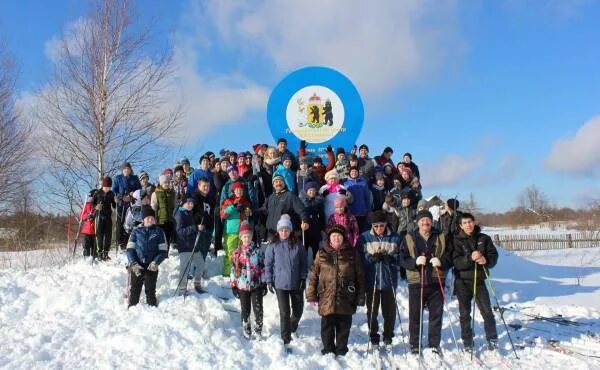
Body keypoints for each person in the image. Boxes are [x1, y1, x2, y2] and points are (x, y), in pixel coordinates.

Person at [306, 224, 366, 356]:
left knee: (344, 326)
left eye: (339, 236)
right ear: (329, 238)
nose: (336, 238)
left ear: (343, 238)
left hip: (346, 296)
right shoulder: (322, 253)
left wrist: (361, 295)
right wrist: (311, 294)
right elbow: (314, 275)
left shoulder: (352, 253)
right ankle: (328, 350)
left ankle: (341, 350)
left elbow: (360, 275)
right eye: (334, 236)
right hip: (326, 295)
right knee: (327, 326)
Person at [399, 210, 451, 355]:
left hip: (436, 280)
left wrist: (441, 262)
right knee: (415, 315)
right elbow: (402, 259)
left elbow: (449, 255)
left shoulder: (440, 236)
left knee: (436, 315)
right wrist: (414, 261)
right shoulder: (409, 237)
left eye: (428, 220)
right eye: (422, 220)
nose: (425, 222)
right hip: (416, 281)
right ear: (417, 222)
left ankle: (434, 344)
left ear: (431, 221)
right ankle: (415, 344)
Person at [452, 213, 499, 352]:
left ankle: (492, 338)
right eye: (465, 223)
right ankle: (467, 341)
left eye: (470, 222)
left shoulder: (484, 238)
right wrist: (469, 258)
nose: (468, 225)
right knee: (465, 314)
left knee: (487, 311)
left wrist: (486, 260)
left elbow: (493, 255)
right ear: (461, 225)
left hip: (479, 280)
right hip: (462, 281)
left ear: (474, 222)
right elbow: (455, 261)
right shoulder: (456, 240)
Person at [357, 210, 402, 347]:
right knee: (372, 311)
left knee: (389, 312)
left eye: (381, 225)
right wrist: (370, 258)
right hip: (372, 281)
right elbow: (359, 257)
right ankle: (373, 335)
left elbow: (402, 257)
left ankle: (388, 335)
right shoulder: (364, 237)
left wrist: (391, 258)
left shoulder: (395, 237)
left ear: (386, 224)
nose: (379, 229)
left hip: (389, 280)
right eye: (376, 226)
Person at [264, 214, 308, 351]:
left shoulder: (298, 245)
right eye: (282, 230)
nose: (284, 232)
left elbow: (304, 263)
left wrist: (302, 278)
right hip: (280, 284)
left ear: (290, 231)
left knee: (298, 309)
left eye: (286, 230)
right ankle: (286, 339)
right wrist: (269, 280)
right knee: (284, 312)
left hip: (295, 283)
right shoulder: (273, 246)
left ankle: (292, 325)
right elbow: (268, 264)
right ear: (278, 231)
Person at [126, 205, 168, 307]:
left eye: (152, 218)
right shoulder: (136, 231)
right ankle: (132, 306)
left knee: (150, 288)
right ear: (143, 219)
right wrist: (133, 263)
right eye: (147, 218)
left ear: (155, 220)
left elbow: (163, 251)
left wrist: (156, 262)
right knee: (135, 287)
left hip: (151, 265)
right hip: (138, 264)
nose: (150, 219)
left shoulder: (159, 232)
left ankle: (152, 306)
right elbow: (129, 249)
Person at [230, 221, 267, 339]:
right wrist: (233, 285)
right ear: (240, 238)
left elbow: (262, 268)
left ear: (252, 236)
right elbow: (233, 270)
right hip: (242, 286)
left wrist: (264, 283)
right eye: (244, 236)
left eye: (249, 236)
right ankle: (247, 329)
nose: (247, 239)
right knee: (245, 310)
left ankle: (258, 330)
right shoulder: (236, 253)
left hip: (256, 285)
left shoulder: (257, 251)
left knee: (258, 309)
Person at [174, 196, 206, 294]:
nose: (191, 205)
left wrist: (200, 229)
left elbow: (193, 229)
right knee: (185, 268)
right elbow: (180, 231)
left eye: (192, 203)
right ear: (183, 203)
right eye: (188, 203)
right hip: (184, 246)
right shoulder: (179, 214)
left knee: (200, 264)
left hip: (193, 245)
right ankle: (182, 290)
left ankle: (197, 284)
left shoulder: (189, 213)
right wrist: (195, 228)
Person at [262, 174, 307, 242]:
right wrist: (251, 212)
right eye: (276, 182)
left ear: (284, 183)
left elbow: (301, 209)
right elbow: (264, 209)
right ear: (273, 185)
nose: (278, 183)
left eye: (280, 181)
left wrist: (305, 220)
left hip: (285, 233)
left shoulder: (290, 196)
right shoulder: (271, 197)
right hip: (271, 233)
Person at [220, 181, 253, 276]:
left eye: (241, 189)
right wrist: (233, 206)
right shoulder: (228, 201)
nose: (239, 191)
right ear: (233, 190)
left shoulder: (246, 202)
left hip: (243, 233)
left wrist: (248, 211)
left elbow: (249, 214)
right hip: (231, 232)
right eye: (237, 189)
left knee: (241, 254)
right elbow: (223, 214)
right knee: (230, 254)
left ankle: (238, 274)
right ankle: (227, 274)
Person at [112, 162, 141, 250]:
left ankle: (129, 241)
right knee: (120, 222)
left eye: (128, 169)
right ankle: (120, 242)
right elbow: (114, 191)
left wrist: (132, 194)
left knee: (130, 222)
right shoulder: (118, 178)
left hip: (132, 203)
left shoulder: (135, 178)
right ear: (122, 170)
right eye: (125, 169)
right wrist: (120, 197)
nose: (126, 170)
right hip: (121, 203)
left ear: (130, 170)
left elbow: (139, 190)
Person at [299, 181, 325, 259]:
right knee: (304, 246)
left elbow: (322, 215)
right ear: (306, 191)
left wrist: (322, 227)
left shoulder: (318, 201)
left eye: (314, 190)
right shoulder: (301, 200)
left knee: (315, 247)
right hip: (305, 226)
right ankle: (304, 264)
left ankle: (316, 263)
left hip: (315, 225)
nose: (312, 192)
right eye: (310, 190)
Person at [192, 177, 215, 260]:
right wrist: (195, 225)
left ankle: (200, 270)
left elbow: (212, 212)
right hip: (198, 228)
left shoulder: (211, 198)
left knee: (204, 250)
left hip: (208, 227)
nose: (206, 188)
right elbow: (191, 213)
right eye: (204, 186)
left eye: (208, 186)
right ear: (199, 185)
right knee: (197, 252)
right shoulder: (194, 197)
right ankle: (195, 271)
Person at [93, 176, 116, 260]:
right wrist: (96, 207)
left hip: (108, 217)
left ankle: (106, 253)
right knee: (99, 236)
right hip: (99, 216)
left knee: (108, 235)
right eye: (106, 187)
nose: (107, 189)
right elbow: (92, 204)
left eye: (109, 187)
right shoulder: (98, 193)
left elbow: (114, 205)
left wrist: (116, 201)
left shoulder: (111, 193)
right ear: (103, 186)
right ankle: (99, 253)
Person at [151, 174, 176, 249]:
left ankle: (166, 253)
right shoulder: (156, 193)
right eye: (165, 182)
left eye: (168, 182)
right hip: (160, 220)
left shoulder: (172, 193)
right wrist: (155, 218)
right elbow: (153, 206)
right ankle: (160, 253)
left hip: (170, 219)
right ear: (161, 183)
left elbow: (175, 205)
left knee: (168, 237)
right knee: (161, 238)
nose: (167, 184)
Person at [343, 166, 372, 233]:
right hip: (350, 211)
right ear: (349, 173)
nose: (354, 173)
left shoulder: (363, 182)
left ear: (358, 173)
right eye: (352, 171)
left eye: (356, 171)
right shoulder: (345, 183)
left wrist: (369, 210)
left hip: (362, 211)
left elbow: (367, 197)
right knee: (352, 231)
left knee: (362, 230)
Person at [79, 191, 97, 258]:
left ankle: (94, 259)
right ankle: (86, 259)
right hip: (86, 230)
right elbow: (81, 215)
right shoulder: (87, 205)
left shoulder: (97, 205)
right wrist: (88, 216)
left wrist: (94, 215)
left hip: (95, 230)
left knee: (94, 246)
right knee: (86, 246)